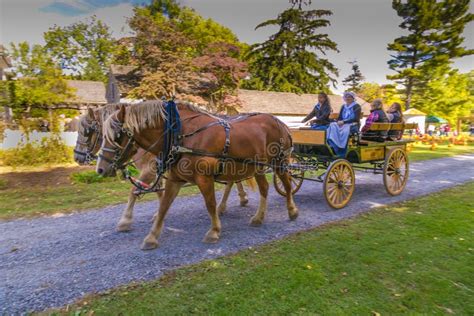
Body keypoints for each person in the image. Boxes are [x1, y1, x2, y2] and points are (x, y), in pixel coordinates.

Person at [325, 91, 361, 157]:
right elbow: (340, 117)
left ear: (353, 98)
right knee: (332, 125)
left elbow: (356, 118)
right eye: (346, 97)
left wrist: (344, 122)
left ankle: (341, 150)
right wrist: (338, 121)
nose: (347, 98)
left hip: (353, 125)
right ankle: (333, 144)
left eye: (349, 97)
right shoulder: (343, 106)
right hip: (343, 124)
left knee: (344, 130)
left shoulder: (356, 106)